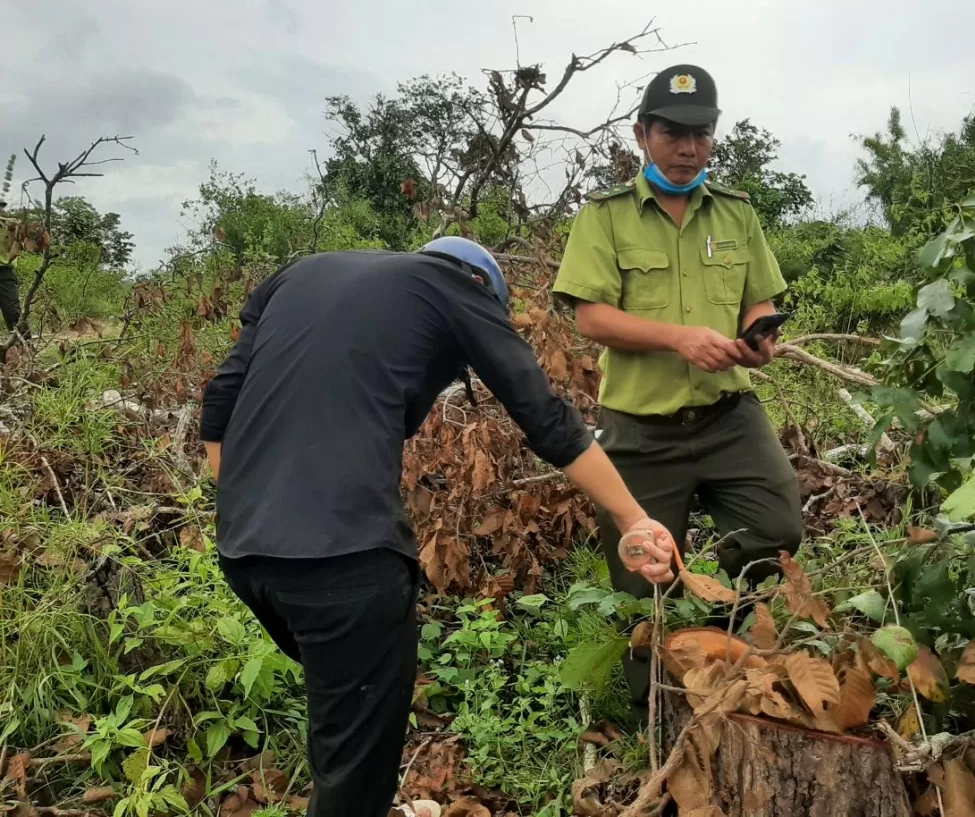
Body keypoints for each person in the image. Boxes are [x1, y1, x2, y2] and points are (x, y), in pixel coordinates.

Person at [199, 238, 676, 817]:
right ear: (482, 289)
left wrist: (253, 509)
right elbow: (545, 417)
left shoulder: (300, 272)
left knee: (345, 725)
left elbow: (222, 395)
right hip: (346, 564)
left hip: (245, 555)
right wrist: (631, 517)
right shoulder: (456, 287)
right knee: (353, 763)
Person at [552, 64, 804, 718]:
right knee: (642, 575)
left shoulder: (738, 215)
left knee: (774, 530)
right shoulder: (604, 218)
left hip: (729, 416)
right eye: (673, 133)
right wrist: (678, 337)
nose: (689, 148)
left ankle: (728, 660)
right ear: (643, 134)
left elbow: (760, 300)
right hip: (638, 427)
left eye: (702, 133)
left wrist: (759, 338)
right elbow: (591, 318)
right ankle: (657, 717)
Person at [0, 200, 21, 333]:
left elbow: (12, 248)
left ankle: (23, 343)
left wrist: (12, 229)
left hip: (4, 273)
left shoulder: (9, 226)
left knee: (12, 311)